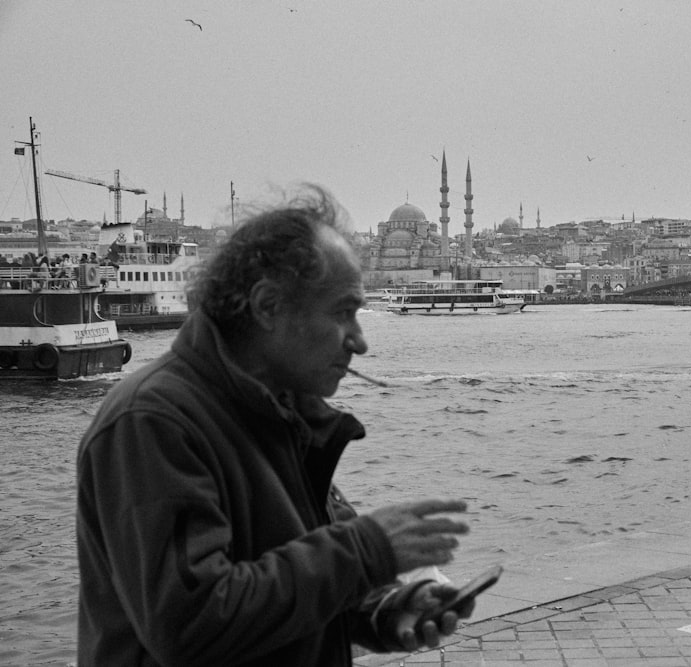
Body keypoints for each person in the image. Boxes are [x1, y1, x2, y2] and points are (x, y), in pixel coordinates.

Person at [76, 185, 473, 666]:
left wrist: (387, 610)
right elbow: (192, 622)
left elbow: (294, 590)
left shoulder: (280, 411)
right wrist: (366, 550)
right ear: (267, 306)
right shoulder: (152, 423)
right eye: (344, 312)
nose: (360, 342)